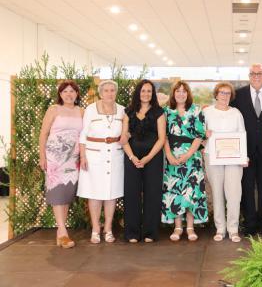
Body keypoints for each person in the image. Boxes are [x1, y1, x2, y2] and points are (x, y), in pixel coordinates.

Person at [230, 64, 262, 236]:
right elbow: (228, 113)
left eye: (260, 73)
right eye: (253, 73)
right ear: (249, 75)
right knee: (247, 187)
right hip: (245, 150)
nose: (257, 76)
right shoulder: (238, 94)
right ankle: (250, 223)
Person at [78, 80, 125, 244]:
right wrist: (83, 156)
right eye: (106, 91)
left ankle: (108, 229)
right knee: (95, 194)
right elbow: (83, 135)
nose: (109, 93)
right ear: (100, 93)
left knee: (111, 194)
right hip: (94, 156)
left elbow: (126, 133)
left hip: (115, 155)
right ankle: (96, 228)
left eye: (112, 90)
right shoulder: (90, 110)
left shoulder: (122, 110)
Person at [39, 80, 83, 248]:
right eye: (65, 91)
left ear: (77, 94)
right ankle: (63, 232)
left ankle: (60, 233)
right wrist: (42, 156)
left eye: (72, 91)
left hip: (73, 159)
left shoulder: (81, 111)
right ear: (60, 94)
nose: (69, 94)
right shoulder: (54, 109)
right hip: (55, 158)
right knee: (57, 192)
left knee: (66, 193)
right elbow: (43, 134)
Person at [162, 81, 207, 242]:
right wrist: (169, 155)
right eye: (178, 91)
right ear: (173, 93)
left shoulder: (196, 110)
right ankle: (177, 226)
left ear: (188, 94)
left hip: (192, 157)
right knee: (175, 191)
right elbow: (164, 136)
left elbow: (200, 135)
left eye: (184, 91)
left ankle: (190, 227)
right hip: (172, 157)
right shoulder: (166, 112)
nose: (181, 94)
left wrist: (188, 155)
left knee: (191, 191)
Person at [122, 80, 166, 243]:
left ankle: (150, 232)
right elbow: (124, 137)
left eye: (149, 91)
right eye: (143, 91)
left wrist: (147, 158)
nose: (146, 94)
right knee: (131, 193)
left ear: (152, 93)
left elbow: (162, 139)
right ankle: (132, 233)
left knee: (152, 193)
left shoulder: (159, 112)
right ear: (138, 93)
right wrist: (132, 157)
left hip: (153, 157)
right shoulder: (128, 111)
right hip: (131, 157)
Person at [203, 82, 246, 243]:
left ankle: (233, 229)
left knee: (234, 193)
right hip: (212, 156)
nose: (225, 96)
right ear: (216, 94)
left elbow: (242, 135)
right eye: (222, 93)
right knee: (217, 192)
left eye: (228, 93)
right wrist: (204, 135)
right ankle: (220, 229)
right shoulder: (207, 112)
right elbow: (200, 137)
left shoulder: (236, 113)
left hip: (234, 159)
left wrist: (243, 157)